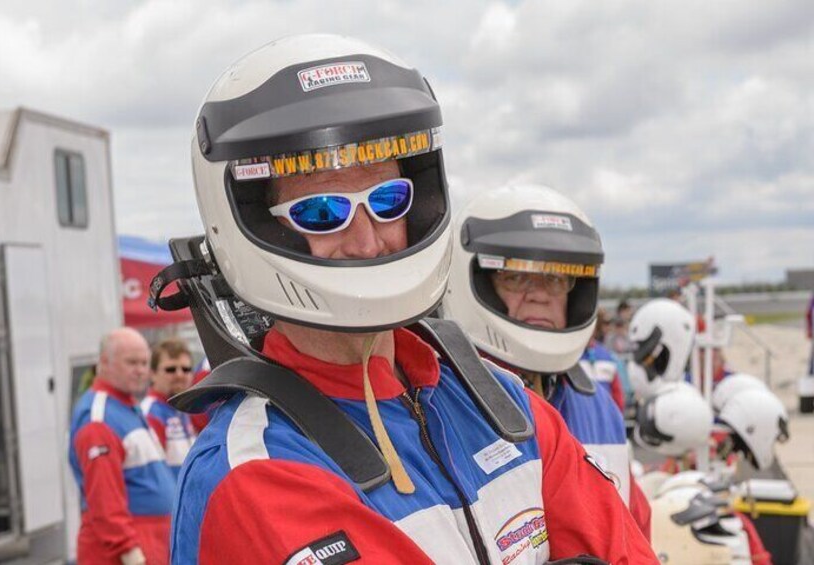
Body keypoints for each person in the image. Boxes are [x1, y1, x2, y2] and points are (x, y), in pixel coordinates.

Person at [168, 35, 656, 564]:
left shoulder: (502, 404)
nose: (367, 241)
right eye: (322, 211)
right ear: (262, 227)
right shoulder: (258, 469)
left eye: (387, 201)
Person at [442, 183, 651, 541]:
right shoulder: (438, 403)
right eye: (515, 275)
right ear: (478, 280)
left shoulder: (595, 401)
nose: (539, 294)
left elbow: (635, 528)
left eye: (555, 278)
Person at [68, 328, 175, 565]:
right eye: (131, 362)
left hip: (149, 542)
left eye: (145, 363)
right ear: (104, 363)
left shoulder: (125, 407)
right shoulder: (99, 419)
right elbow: (104, 500)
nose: (140, 371)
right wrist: (130, 553)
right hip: (124, 550)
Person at [141, 337, 197, 478]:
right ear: (152, 374)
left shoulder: (181, 411)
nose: (180, 375)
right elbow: (152, 475)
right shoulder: (150, 413)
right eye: (171, 369)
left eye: (186, 369)